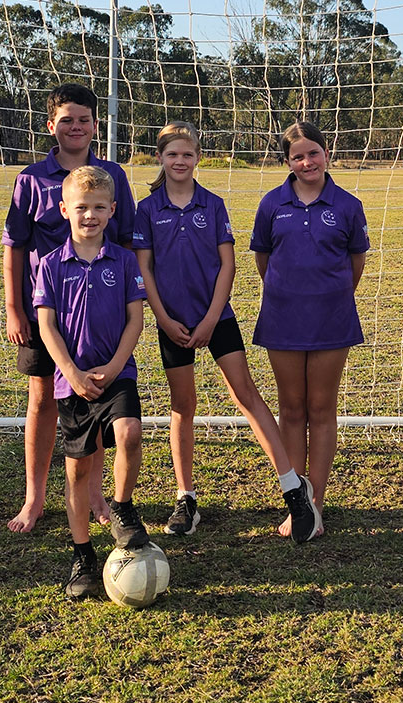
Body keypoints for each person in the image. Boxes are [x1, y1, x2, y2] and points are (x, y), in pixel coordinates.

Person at [133, 122, 318, 540]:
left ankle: (293, 487)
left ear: (198, 157)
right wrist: (164, 319)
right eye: (172, 154)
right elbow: (144, 268)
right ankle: (186, 497)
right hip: (172, 322)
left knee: (246, 393)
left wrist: (211, 318)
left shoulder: (213, 205)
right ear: (160, 157)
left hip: (217, 318)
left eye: (188, 154)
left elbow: (228, 265)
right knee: (183, 405)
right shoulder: (147, 210)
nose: (180, 161)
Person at [2, 84, 136, 534]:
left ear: (96, 125)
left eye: (83, 120)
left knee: (94, 392)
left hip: (98, 315)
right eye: (66, 120)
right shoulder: (30, 179)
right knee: (42, 398)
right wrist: (13, 308)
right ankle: (34, 496)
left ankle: (94, 492)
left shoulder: (112, 175)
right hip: (44, 313)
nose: (75, 127)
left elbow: (125, 243)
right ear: (51, 126)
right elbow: (14, 246)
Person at [32, 165, 151, 598]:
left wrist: (117, 365)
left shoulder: (123, 261)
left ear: (112, 210)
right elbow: (47, 326)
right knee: (78, 469)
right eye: (81, 207)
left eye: (99, 207)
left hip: (116, 373)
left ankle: (122, 507)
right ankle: (82, 554)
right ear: (64, 209)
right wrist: (71, 373)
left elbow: (136, 319)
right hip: (73, 381)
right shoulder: (50, 265)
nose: (90, 215)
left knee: (130, 432)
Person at [250, 121, 370, 541]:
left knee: (321, 409)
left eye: (313, 153)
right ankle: (296, 504)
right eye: (297, 156)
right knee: (291, 409)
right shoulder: (271, 204)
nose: (307, 162)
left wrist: (330, 296)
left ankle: (315, 504)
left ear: (326, 153)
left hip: (331, 319)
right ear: (287, 162)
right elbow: (263, 260)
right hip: (282, 318)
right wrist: (288, 293)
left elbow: (355, 262)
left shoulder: (349, 205)